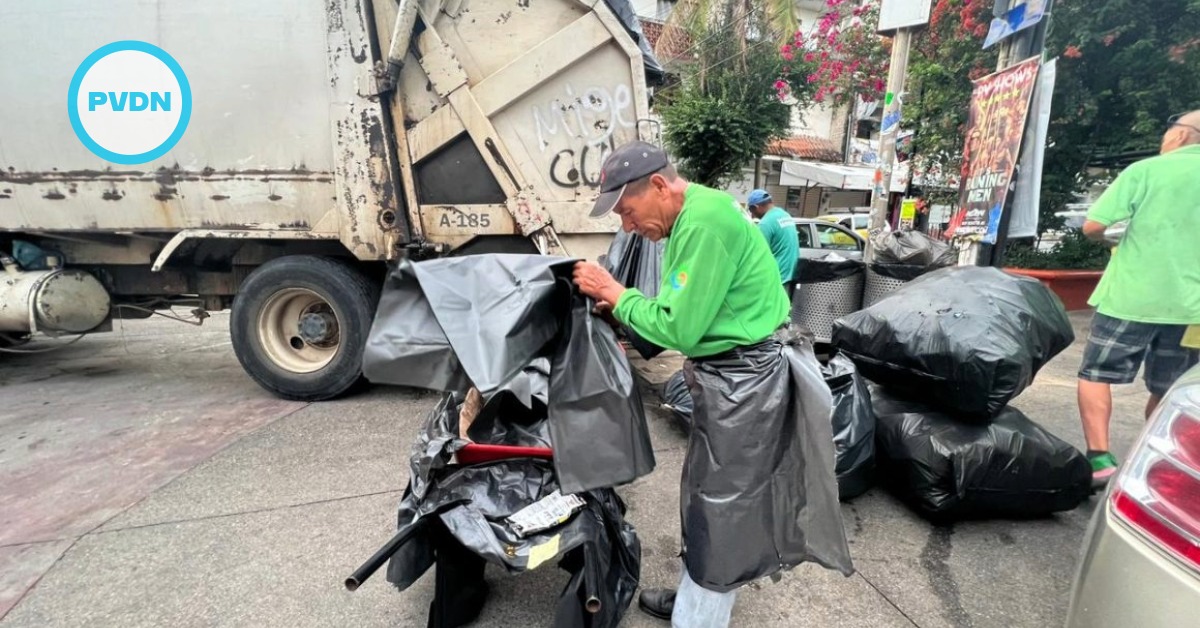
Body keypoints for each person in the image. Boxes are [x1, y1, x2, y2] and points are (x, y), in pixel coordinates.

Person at [572, 141, 851, 627]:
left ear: (658, 185)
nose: (627, 225)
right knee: (708, 496)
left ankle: (698, 618)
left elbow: (679, 328)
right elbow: (684, 307)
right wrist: (624, 307)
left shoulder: (703, 222)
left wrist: (613, 291)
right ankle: (693, 598)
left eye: (628, 210)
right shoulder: (696, 212)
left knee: (723, 506)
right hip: (732, 375)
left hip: (747, 381)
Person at [1077, 109, 1200, 488]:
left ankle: (1100, 459)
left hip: (1132, 296)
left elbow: (1093, 226)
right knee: (1170, 388)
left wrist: (1116, 235)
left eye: (1170, 129)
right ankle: (1152, 462)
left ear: (1182, 135)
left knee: (1096, 374)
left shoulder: (1147, 171)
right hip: (1191, 308)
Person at [747, 189, 800, 300]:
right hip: (791, 270)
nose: (752, 216)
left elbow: (758, 254)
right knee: (784, 308)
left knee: (774, 312)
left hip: (778, 274)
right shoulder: (784, 214)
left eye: (751, 211)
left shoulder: (766, 223)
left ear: (756, 207)